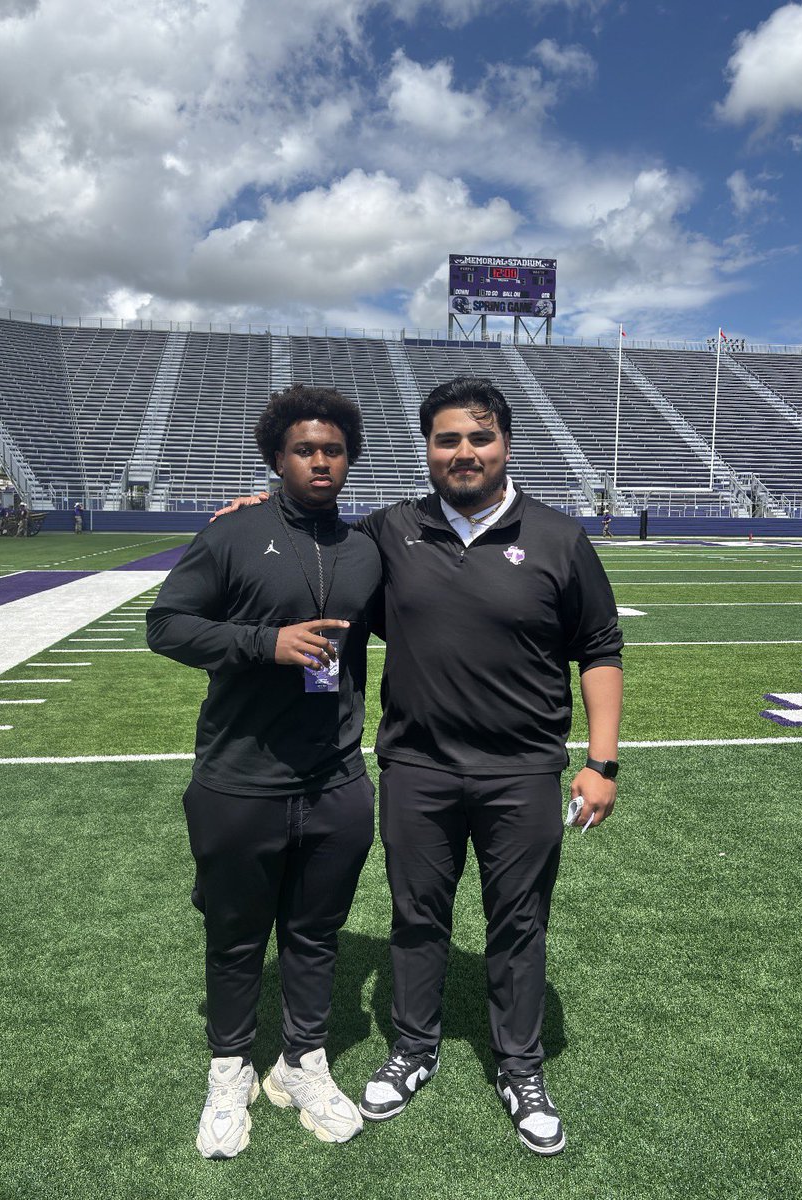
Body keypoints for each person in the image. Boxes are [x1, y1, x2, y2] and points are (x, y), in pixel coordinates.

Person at [220, 376, 622, 1156]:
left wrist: (600, 762)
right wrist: (257, 512)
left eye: (479, 437)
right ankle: (412, 1048)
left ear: (506, 444)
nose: (463, 452)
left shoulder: (558, 538)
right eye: (446, 439)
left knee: (519, 923)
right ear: (427, 450)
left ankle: (519, 1066)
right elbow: (315, 546)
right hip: (416, 767)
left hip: (521, 770)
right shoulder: (388, 532)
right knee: (416, 918)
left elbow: (599, 648)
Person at [147, 384, 383, 1159]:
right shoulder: (233, 532)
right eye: (304, 450)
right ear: (277, 459)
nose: (320, 461)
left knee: (315, 935)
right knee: (235, 937)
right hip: (238, 778)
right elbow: (166, 625)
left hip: (336, 780)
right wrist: (263, 643)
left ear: (349, 460)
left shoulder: (367, 550)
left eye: (333, 450)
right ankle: (230, 1071)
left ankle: (300, 1064)